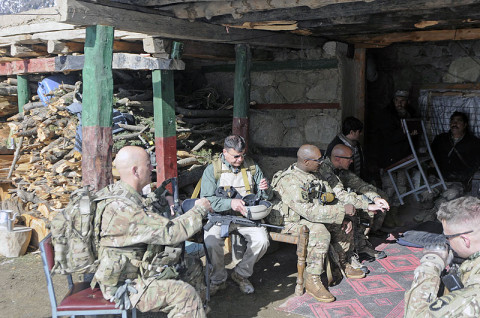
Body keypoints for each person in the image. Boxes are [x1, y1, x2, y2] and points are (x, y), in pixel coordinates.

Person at [93, 146, 212, 317]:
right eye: (148, 165)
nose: (152, 169)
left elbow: (146, 206)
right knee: (184, 294)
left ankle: (197, 312)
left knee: (191, 265)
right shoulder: (124, 209)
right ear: (135, 171)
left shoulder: (121, 193)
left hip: (135, 269)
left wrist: (163, 196)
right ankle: (189, 308)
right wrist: (199, 210)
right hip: (125, 284)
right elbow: (170, 233)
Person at [273, 144, 366, 303]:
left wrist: (342, 216)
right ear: (306, 161)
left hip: (310, 216)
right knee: (319, 231)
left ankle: (342, 263)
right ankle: (312, 278)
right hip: (290, 222)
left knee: (344, 224)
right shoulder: (290, 180)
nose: (322, 162)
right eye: (318, 160)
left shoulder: (315, 173)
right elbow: (308, 211)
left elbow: (328, 198)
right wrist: (341, 211)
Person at [200, 135, 272, 295]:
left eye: (242, 155)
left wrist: (264, 189)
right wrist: (229, 203)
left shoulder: (252, 167)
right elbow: (206, 199)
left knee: (261, 241)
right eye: (236, 156)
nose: (240, 160)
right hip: (220, 217)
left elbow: (265, 197)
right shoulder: (212, 170)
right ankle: (218, 279)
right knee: (211, 242)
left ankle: (241, 274)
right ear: (224, 152)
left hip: (246, 216)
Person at [404, 196, 480, 317]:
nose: (447, 241)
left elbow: (415, 315)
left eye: (448, 237)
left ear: (465, 240)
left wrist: (430, 266)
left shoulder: (474, 295)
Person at [317, 144, 390, 260]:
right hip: (323, 206)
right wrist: (367, 206)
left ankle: (361, 245)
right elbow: (341, 195)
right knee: (356, 207)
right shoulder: (325, 170)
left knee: (363, 202)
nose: (351, 161)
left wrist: (376, 198)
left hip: (336, 202)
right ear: (337, 159)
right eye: (349, 158)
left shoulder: (340, 170)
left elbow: (360, 184)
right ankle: (350, 254)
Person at [375, 89, 417, 226]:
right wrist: (406, 132)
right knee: (389, 188)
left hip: (403, 158)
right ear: (393, 101)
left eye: (402, 100)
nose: (400, 103)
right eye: (397, 100)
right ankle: (385, 218)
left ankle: (394, 214)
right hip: (388, 159)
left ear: (407, 102)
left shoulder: (410, 113)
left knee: (401, 187)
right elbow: (389, 137)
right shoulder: (386, 115)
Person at [431, 111, 480, 188]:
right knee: (427, 195)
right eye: (452, 121)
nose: (454, 124)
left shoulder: (474, 142)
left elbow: (476, 164)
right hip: (437, 178)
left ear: (465, 125)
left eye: (459, 121)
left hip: (457, 181)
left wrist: (464, 176)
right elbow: (429, 154)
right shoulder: (440, 139)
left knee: (450, 197)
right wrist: (430, 163)